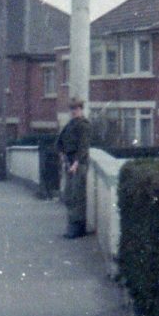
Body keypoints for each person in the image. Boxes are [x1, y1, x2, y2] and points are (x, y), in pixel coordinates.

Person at [56, 97, 91, 238]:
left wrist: (76, 163)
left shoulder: (84, 125)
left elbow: (83, 147)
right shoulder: (70, 124)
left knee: (77, 196)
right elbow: (59, 142)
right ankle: (73, 226)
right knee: (70, 195)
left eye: (76, 108)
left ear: (81, 109)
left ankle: (77, 228)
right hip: (69, 163)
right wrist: (63, 155)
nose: (74, 111)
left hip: (79, 164)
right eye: (72, 109)